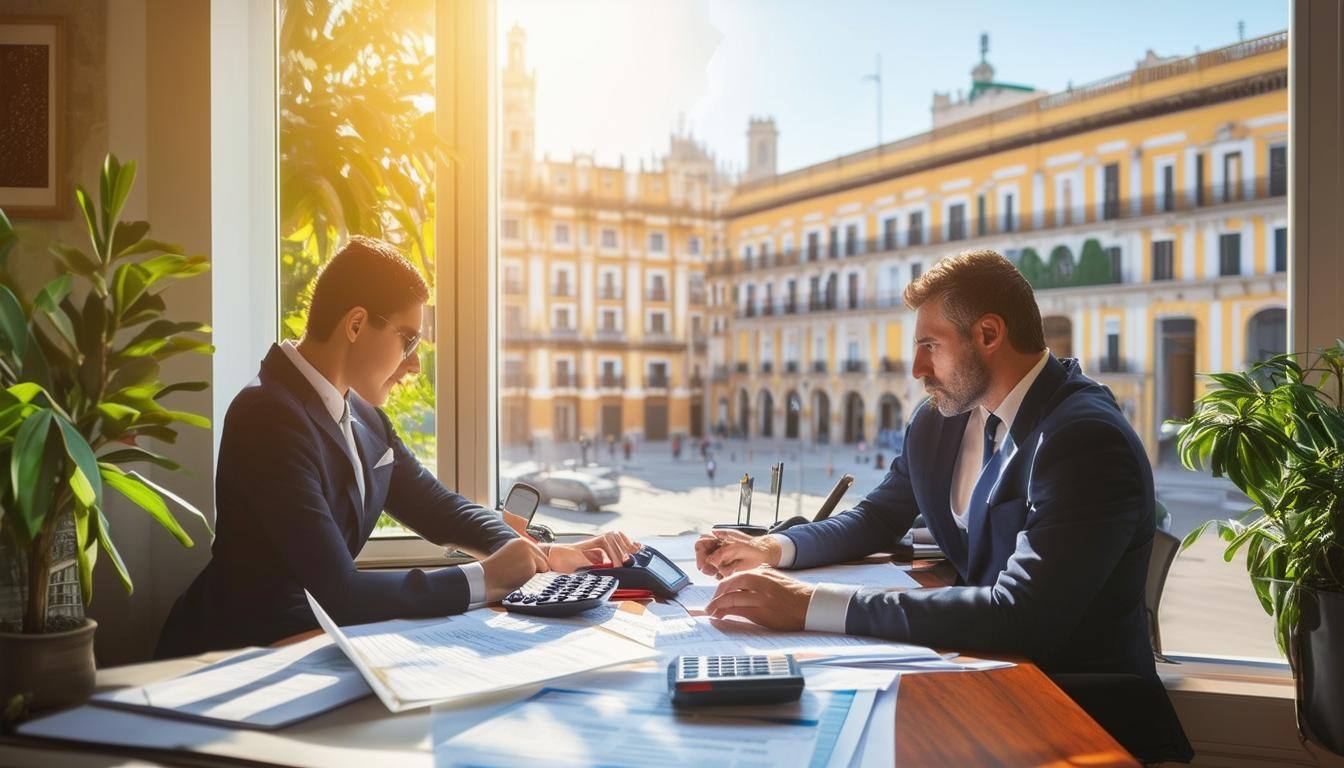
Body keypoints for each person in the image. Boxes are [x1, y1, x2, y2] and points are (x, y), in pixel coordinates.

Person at [694, 249, 1190, 759]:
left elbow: (1022, 614)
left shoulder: (1083, 437)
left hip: (1072, 709)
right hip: (982, 674)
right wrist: (775, 549)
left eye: (930, 345)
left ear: (989, 335)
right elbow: (879, 515)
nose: (915, 369)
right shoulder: (941, 420)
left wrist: (806, 604)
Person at [157, 237, 639, 658]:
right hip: (234, 658)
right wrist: (485, 577)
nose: (413, 366)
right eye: (407, 341)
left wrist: (534, 552)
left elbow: (439, 508)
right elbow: (338, 591)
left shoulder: (366, 419)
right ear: (356, 323)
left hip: (307, 647)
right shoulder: (267, 414)